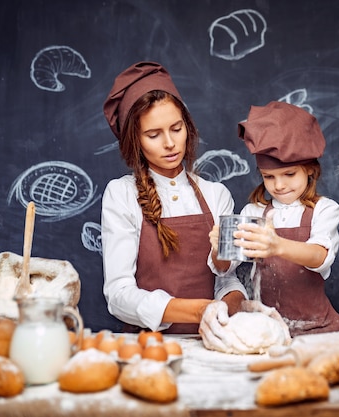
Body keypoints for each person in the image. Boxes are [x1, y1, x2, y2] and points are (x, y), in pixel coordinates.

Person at [101, 61, 284, 345]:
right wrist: (200, 309)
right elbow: (118, 295)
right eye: (153, 135)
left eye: (176, 128)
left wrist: (238, 307)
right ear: (135, 141)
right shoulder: (121, 194)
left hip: (210, 341)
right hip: (148, 347)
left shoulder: (216, 195)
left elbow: (225, 279)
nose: (170, 143)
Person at [209, 101, 339, 336]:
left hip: (316, 327)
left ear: (310, 170)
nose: (279, 185)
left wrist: (278, 246)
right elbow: (225, 268)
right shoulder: (253, 212)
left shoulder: (324, 210)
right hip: (266, 327)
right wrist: (218, 249)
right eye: (269, 177)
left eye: (289, 174)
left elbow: (320, 256)